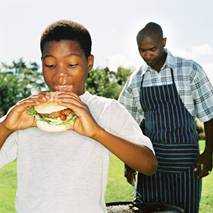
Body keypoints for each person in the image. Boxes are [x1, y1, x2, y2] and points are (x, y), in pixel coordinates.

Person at [0, 20, 157, 213]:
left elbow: (149, 164)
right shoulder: (27, 112)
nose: (60, 75)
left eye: (72, 64)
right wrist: (6, 128)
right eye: (50, 64)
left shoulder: (106, 109)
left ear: (89, 63)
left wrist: (97, 132)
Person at [119, 22, 213, 213]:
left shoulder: (189, 70)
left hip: (186, 167)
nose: (147, 55)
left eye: (152, 49)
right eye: (142, 51)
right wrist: (130, 161)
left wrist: (209, 154)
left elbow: (210, 115)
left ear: (164, 42)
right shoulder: (136, 79)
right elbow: (127, 123)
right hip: (150, 167)